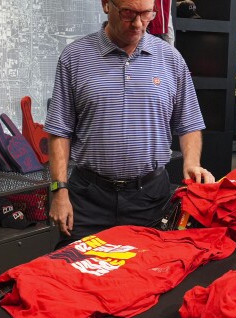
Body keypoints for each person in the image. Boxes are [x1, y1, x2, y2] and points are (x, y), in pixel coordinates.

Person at [44, 0, 215, 247]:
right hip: (89, 199)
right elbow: (59, 131)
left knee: (146, 276)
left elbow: (189, 122)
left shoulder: (170, 59)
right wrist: (59, 191)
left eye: (146, 14)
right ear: (106, 5)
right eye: (128, 13)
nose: (137, 24)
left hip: (150, 199)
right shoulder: (75, 57)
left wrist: (191, 162)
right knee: (78, 275)